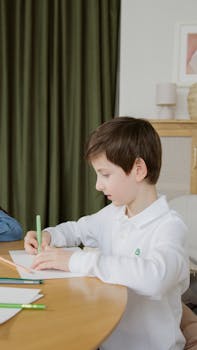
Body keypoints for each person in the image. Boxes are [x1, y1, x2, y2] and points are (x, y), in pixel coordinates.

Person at [24, 117, 189, 350]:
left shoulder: (169, 226)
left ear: (138, 169)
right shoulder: (114, 214)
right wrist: (49, 235)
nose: (98, 185)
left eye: (105, 174)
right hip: (106, 342)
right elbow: (76, 229)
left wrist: (75, 260)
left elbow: (155, 278)